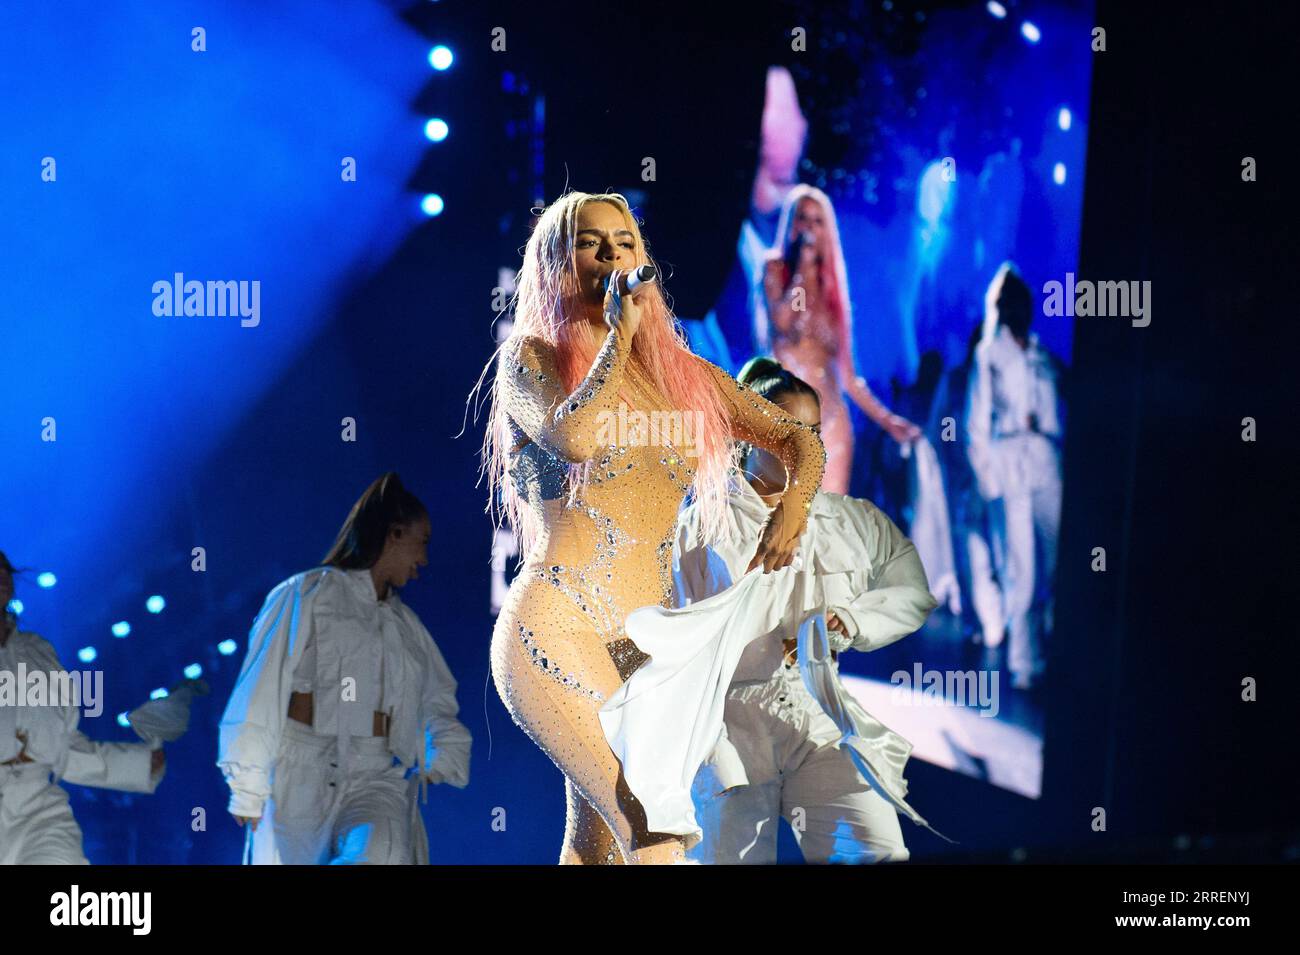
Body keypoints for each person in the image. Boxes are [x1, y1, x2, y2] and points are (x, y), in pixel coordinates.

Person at [477, 190, 825, 864]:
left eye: (624, 242)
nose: (611, 254)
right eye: (590, 242)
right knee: (652, 823)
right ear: (556, 260)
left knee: (597, 841)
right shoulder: (530, 358)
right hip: (557, 627)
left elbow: (797, 442)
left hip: (642, 648)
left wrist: (794, 505)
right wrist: (616, 342)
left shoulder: (682, 377)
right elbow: (574, 436)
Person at [667, 358, 941, 863]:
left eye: (815, 430)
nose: (808, 445)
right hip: (729, 725)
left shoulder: (845, 521)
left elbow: (912, 586)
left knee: (875, 849)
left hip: (816, 715)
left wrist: (852, 621)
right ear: (752, 432)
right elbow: (673, 650)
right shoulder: (701, 529)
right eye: (791, 429)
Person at [217, 473, 472, 864]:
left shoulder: (407, 628)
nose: (424, 560)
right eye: (422, 543)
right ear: (395, 534)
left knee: (380, 854)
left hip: (375, 774)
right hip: (299, 771)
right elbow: (262, 685)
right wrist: (247, 783)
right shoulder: (307, 594)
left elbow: (436, 698)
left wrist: (441, 754)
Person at [0, 549, 166, 864]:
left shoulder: (37, 652)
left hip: (39, 812)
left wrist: (135, 764)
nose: (1, 577)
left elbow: (61, 744)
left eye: (4, 569)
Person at [759, 184, 921, 494]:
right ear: (792, 224)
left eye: (818, 221)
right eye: (803, 218)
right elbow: (782, 324)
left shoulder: (833, 291)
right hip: (787, 418)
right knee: (787, 529)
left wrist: (889, 421)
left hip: (833, 422)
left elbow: (848, 377)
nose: (810, 227)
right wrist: (803, 269)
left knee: (827, 526)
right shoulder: (775, 270)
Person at [965, 264, 1063, 689]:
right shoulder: (988, 355)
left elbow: (1059, 417)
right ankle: (1025, 662)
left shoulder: (1043, 356)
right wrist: (989, 480)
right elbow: (975, 425)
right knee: (1020, 570)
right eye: (1010, 302)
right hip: (1009, 469)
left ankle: (1053, 648)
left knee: (1058, 559)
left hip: (1046, 463)